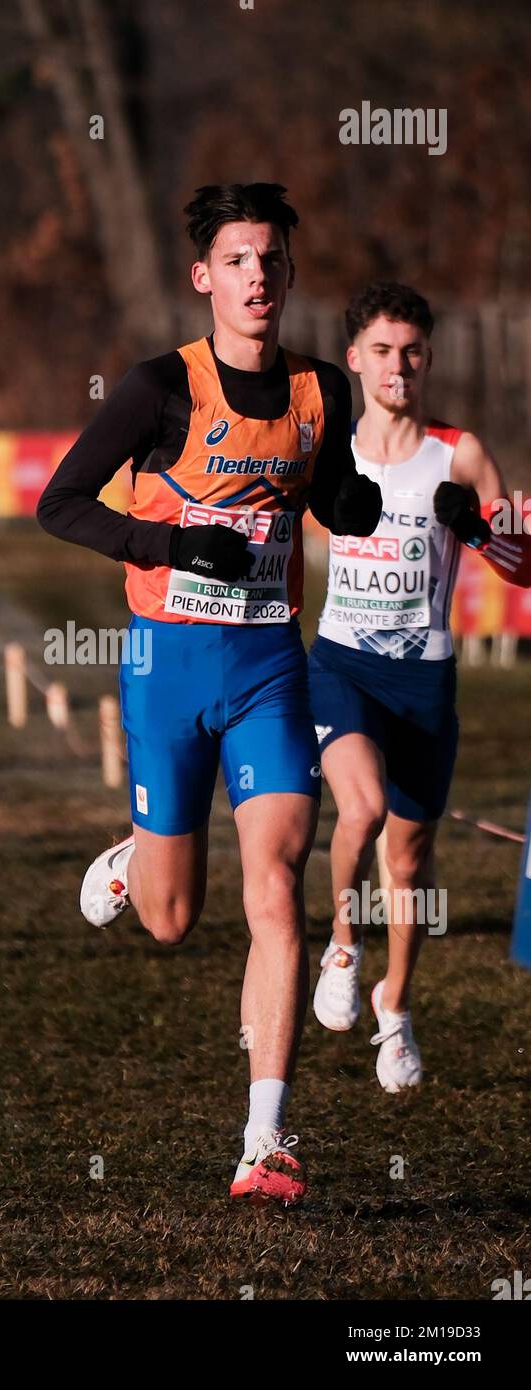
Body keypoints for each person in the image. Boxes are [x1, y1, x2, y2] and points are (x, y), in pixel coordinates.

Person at [37, 183, 382, 1205]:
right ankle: (138, 848)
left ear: (288, 274)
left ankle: (263, 1139)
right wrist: (162, 539)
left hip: (270, 665)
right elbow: (61, 502)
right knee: (170, 920)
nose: (256, 277)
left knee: (274, 888)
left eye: (271, 260)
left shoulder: (323, 385)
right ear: (203, 277)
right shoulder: (157, 388)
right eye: (236, 260)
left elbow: (325, 494)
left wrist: (348, 503)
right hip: (163, 668)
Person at [309, 282, 531, 1090]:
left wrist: (473, 525)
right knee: (360, 810)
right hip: (341, 665)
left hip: (425, 680)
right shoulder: (330, 446)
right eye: (381, 350)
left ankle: (394, 1008)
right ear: (354, 359)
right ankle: (341, 941)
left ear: (428, 358)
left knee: (409, 861)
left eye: (410, 351)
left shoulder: (459, 453)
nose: (397, 365)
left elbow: (524, 565)